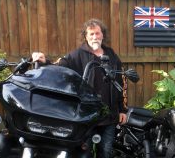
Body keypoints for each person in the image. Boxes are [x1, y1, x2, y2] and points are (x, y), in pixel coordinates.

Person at [33, 18, 127, 158]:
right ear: (85, 36)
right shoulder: (76, 55)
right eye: (91, 34)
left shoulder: (112, 55)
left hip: (109, 115)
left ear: (103, 35)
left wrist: (122, 110)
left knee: (106, 151)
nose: (95, 37)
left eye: (97, 33)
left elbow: (121, 83)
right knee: (84, 152)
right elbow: (59, 68)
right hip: (85, 116)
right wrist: (44, 62)